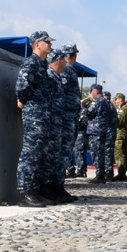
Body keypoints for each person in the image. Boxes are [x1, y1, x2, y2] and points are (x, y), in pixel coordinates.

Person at [15, 30, 55, 207]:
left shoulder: (42, 65)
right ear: (38, 44)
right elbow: (22, 87)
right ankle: (25, 192)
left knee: (40, 154)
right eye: (47, 42)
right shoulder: (31, 63)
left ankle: (35, 190)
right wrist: (24, 101)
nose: (50, 44)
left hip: (43, 116)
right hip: (34, 116)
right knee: (30, 153)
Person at [43, 49, 76, 203]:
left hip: (63, 119)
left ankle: (57, 186)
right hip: (55, 120)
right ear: (57, 60)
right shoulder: (51, 75)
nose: (65, 61)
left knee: (61, 155)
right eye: (62, 58)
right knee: (53, 155)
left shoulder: (59, 75)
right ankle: (49, 188)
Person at [58, 44, 82, 181]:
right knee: (64, 148)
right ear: (74, 55)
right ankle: (59, 180)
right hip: (66, 116)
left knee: (66, 148)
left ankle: (60, 180)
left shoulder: (70, 70)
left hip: (70, 115)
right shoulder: (66, 70)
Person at [83, 83, 115, 184]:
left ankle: (100, 175)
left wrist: (82, 107)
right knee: (100, 153)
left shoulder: (98, 101)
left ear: (95, 91)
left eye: (91, 91)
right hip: (101, 130)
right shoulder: (104, 102)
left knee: (96, 153)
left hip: (96, 130)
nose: (90, 94)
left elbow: (89, 113)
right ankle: (101, 174)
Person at [113, 93, 127, 181]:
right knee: (121, 153)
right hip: (121, 134)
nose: (115, 101)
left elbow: (119, 121)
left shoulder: (123, 109)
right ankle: (122, 172)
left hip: (121, 134)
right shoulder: (123, 108)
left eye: (116, 99)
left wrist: (112, 120)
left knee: (120, 154)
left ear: (120, 99)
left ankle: (121, 173)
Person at [73, 97, 90, 178]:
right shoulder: (82, 110)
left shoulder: (82, 110)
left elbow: (83, 122)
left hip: (81, 134)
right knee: (81, 153)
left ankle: (81, 170)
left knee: (80, 152)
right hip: (81, 134)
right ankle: (83, 170)